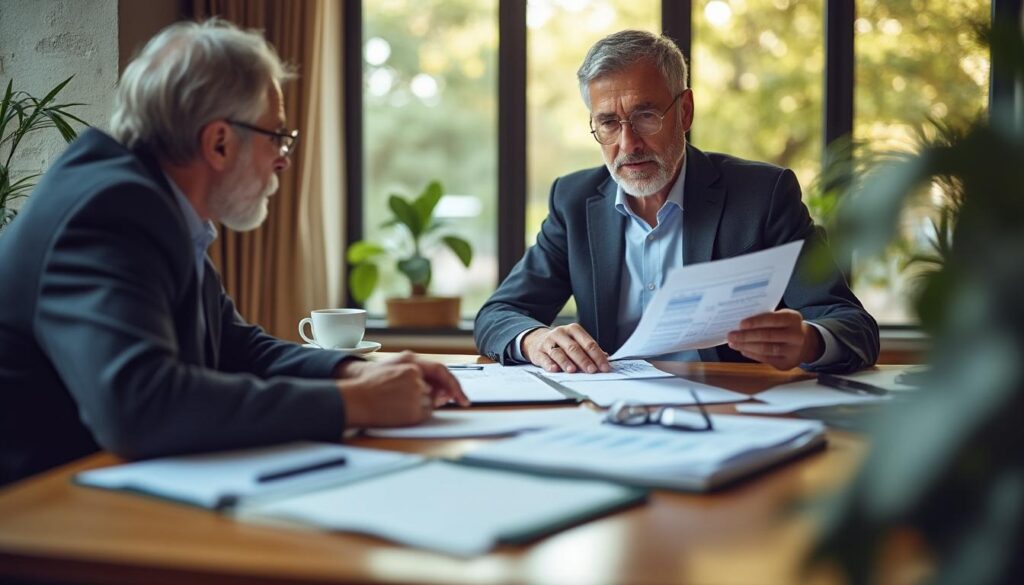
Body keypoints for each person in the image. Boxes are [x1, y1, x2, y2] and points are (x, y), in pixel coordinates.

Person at [0, 20, 468, 486]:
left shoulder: (154, 205)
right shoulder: (112, 209)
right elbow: (140, 405)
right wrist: (356, 403)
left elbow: (237, 347)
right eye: (277, 136)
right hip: (36, 507)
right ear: (219, 143)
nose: (284, 158)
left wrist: (356, 371)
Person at [475, 30, 879, 375]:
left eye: (645, 115)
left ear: (684, 112)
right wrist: (534, 340)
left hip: (730, 408)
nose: (628, 144)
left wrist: (809, 341)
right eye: (608, 123)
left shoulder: (763, 196)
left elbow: (853, 326)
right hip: (612, 412)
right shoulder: (574, 200)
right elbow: (497, 314)